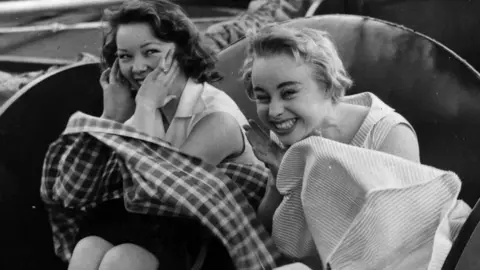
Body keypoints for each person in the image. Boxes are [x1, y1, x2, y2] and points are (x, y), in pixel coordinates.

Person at [67, 1, 262, 270]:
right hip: (165, 235)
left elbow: (151, 193)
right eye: (125, 56)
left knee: (122, 259)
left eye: (151, 52)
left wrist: (145, 104)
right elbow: (80, 189)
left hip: (222, 249)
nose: (137, 67)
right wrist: (111, 118)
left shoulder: (216, 118)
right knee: (89, 247)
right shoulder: (148, 112)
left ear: (181, 52)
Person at [240, 25, 428, 268]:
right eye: (263, 97)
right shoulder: (290, 131)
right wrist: (280, 176)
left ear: (327, 86)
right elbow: (266, 229)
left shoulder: (389, 136)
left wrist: (307, 175)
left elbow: (403, 246)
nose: (274, 111)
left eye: (288, 93)